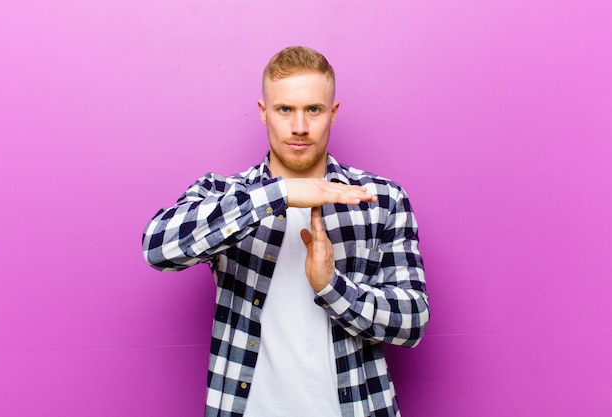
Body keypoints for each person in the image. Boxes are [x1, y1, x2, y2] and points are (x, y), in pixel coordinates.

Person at [142, 46, 429, 417]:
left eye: (313, 109)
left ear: (333, 113)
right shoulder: (225, 196)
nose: (299, 127)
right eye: (284, 110)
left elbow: (413, 321)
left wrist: (332, 287)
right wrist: (279, 193)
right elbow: (158, 246)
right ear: (264, 113)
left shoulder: (380, 199)